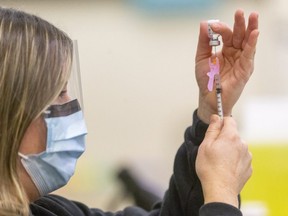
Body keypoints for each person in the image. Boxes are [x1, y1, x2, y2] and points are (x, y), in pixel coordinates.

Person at [0, 6, 258, 216]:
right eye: (57, 93)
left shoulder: (47, 210)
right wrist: (221, 195)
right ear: (9, 116)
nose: (72, 107)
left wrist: (211, 111)